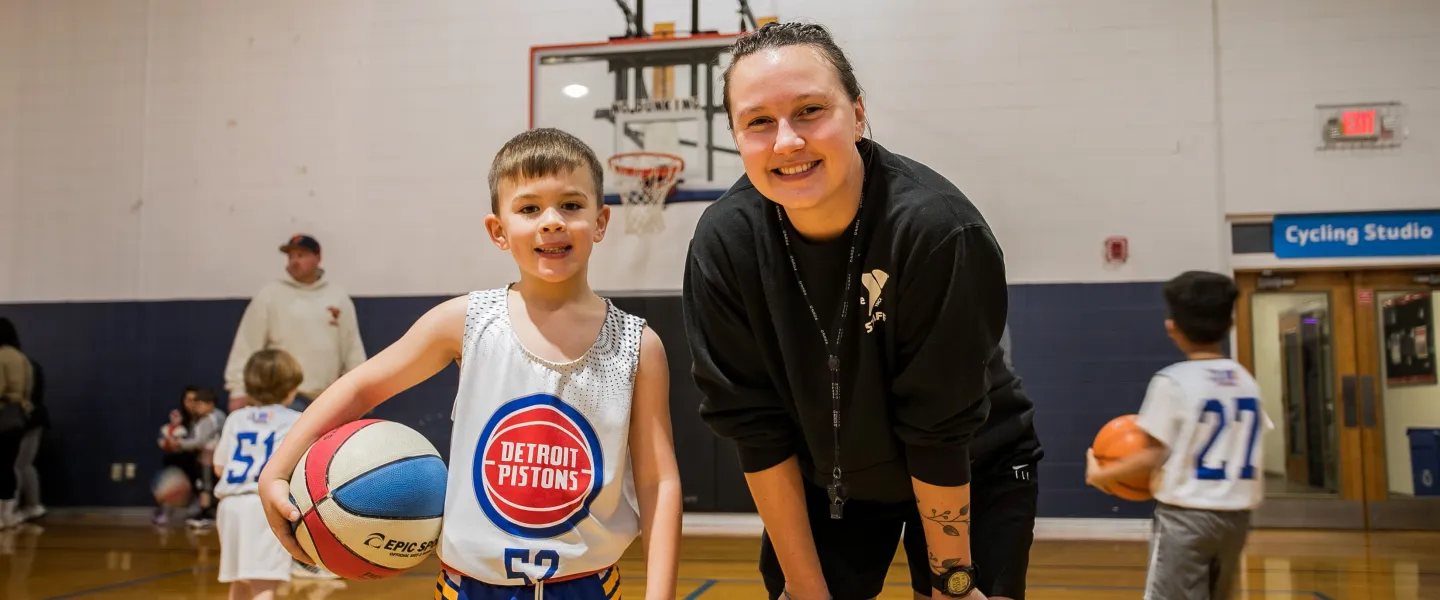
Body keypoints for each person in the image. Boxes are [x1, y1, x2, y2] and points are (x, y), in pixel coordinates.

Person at [682, 21, 1042, 600]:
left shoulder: (937, 231)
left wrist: (951, 581)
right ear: (735, 135)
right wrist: (804, 585)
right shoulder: (725, 243)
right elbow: (755, 425)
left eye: (809, 110)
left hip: (969, 466)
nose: (787, 142)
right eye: (758, 122)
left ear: (858, 112)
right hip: (829, 486)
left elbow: (939, 426)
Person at [256, 127, 683, 598]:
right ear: (498, 230)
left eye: (571, 205)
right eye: (528, 208)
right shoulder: (465, 321)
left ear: (601, 222)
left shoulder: (637, 344)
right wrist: (277, 470)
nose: (552, 221)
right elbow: (360, 388)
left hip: (587, 586)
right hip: (469, 586)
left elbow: (657, 480)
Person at [1085, 271, 1271, 600]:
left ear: (1172, 328)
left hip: (1185, 517)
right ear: (1229, 326)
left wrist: (1103, 474)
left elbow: (1152, 455)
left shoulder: (1173, 381)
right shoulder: (1247, 382)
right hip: (1237, 519)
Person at [222, 233, 368, 414]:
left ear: (318, 258)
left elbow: (352, 347)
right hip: (280, 400)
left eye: (301, 255)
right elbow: (247, 344)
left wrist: (363, 391)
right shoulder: (270, 295)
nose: (294, 261)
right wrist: (238, 389)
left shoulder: (337, 297)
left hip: (326, 398)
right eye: (290, 256)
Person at [214, 349, 306, 600]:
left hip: (230, 507)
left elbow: (219, 467)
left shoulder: (236, 418)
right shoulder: (297, 420)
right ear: (291, 388)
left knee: (241, 582)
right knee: (264, 585)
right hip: (264, 506)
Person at [0, 317, 35, 529]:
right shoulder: (22, 358)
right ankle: (8, 515)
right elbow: (29, 391)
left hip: (2, 415)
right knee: (8, 465)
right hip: (18, 417)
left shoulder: (0, 357)